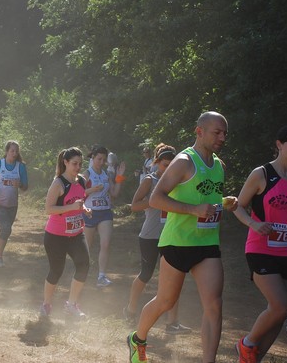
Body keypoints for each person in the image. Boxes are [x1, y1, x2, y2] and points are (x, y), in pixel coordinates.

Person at [127, 111, 239, 363]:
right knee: (166, 301)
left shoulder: (219, 166)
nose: (222, 137)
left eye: (225, 133)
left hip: (207, 243)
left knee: (214, 305)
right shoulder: (184, 161)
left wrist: (222, 203)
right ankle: (137, 339)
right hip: (177, 242)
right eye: (216, 132)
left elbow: (202, 198)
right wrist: (193, 210)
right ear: (199, 131)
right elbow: (156, 199)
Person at [232, 124, 287, 362]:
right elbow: (237, 205)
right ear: (279, 145)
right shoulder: (261, 174)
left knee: (279, 315)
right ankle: (247, 343)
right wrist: (253, 223)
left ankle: (252, 358)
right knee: (281, 306)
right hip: (261, 248)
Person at [124, 143, 191, 335]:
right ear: (156, 163)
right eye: (164, 165)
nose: (167, 169)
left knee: (174, 279)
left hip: (172, 236)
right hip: (150, 236)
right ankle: (130, 310)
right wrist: (155, 201)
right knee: (146, 274)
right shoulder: (149, 180)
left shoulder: (179, 182)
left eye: (171, 165)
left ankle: (172, 323)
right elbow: (134, 206)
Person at [40, 147, 91, 318]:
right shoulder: (59, 183)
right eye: (74, 163)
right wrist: (72, 207)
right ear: (66, 162)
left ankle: (71, 304)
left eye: (80, 164)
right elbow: (48, 209)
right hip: (56, 236)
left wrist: (85, 208)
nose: (78, 167)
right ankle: (46, 304)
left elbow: (79, 201)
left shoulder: (82, 181)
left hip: (76, 233)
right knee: (56, 271)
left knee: (84, 265)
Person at [82, 146, 126, 287]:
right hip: (89, 212)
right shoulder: (87, 174)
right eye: (99, 159)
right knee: (86, 246)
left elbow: (113, 193)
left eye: (103, 159)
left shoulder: (106, 175)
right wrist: (92, 190)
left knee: (105, 244)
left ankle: (101, 276)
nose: (101, 162)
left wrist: (119, 177)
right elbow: (77, 194)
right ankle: (82, 273)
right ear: (93, 158)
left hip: (105, 212)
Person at [0, 141, 29, 267]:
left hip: (12, 205)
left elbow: (25, 187)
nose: (14, 154)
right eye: (12, 151)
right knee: (5, 228)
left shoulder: (20, 167)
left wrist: (19, 185)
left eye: (16, 151)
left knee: (6, 231)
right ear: (7, 151)